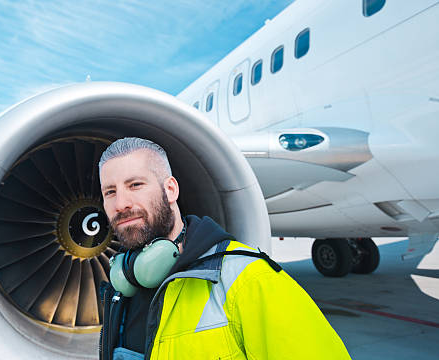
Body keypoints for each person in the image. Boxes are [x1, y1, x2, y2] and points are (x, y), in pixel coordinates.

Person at [98, 137, 351, 360]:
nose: (120, 203)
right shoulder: (122, 287)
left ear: (171, 189)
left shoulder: (249, 279)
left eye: (135, 185)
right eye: (110, 191)